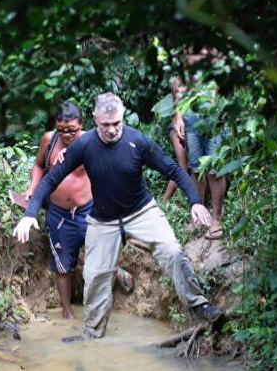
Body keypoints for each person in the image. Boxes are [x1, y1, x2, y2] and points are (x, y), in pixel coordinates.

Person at [13, 93, 223, 340]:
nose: (112, 130)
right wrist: (29, 213)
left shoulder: (137, 141)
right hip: (103, 220)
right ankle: (92, 335)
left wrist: (195, 202)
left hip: (141, 212)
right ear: (95, 119)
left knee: (172, 252)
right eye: (105, 125)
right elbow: (51, 178)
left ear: (122, 118)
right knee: (94, 277)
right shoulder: (84, 145)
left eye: (116, 124)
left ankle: (200, 305)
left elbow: (173, 169)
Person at [23, 101, 133, 319]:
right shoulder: (49, 140)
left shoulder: (93, 141)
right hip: (58, 213)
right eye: (61, 129)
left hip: (89, 209)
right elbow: (38, 165)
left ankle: (116, 272)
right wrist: (32, 188)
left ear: (82, 124)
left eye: (72, 130)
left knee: (101, 254)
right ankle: (67, 313)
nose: (66, 134)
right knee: (62, 266)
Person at [171, 47, 228, 239]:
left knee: (215, 171)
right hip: (191, 120)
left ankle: (216, 219)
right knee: (196, 170)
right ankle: (199, 215)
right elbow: (178, 86)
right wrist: (178, 118)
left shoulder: (214, 50)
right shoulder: (185, 49)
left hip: (215, 120)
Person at [163, 77, 190, 202]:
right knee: (183, 168)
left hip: (193, 128)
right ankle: (165, 201)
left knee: (195, 167)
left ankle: (178, 200)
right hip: (177, 127)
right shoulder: (179, 80)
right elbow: (179, 104)